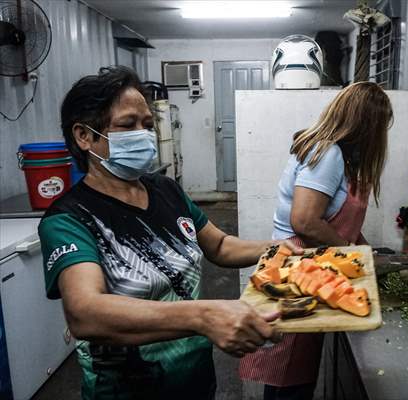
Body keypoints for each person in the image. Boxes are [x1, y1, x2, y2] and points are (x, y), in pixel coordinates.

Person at [37, 66, 300, 400]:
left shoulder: (165, 190)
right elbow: (85, 313)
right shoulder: (69, 218)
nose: (144, 134)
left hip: (196, 377)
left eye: (148, 124)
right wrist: (204, 315)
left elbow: (218, 244)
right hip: (128, 388)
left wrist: (277, 248)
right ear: (84, 136)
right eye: (127, 124)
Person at [239, 81, 393, 399]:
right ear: (366, 125)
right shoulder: (329, 155)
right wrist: (351, 253)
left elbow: (339, 221)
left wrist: (364, 253)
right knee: (289, 378)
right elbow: (305, 220)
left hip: (314, 265)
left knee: (299, 372)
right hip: (298, 268)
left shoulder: (338, 154)